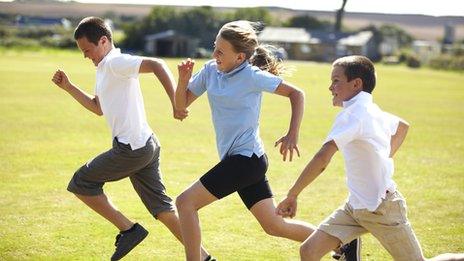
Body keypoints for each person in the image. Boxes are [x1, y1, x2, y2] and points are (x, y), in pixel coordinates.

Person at [174, 20, 358, 261]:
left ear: (240, 58)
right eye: (214, 47)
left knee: (185, 203)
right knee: (274, 226)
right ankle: (343, 244)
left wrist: (293, 134)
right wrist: (183, 79)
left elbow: (296, 94)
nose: (214, 54)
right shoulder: (210, 71)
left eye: (220, 51)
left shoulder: (252, 76)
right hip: (242, 161)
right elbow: (180, 107)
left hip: (246, 160)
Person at [51, 16, 212, 261]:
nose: (86, 56)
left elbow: (157, 64)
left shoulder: (116, 62)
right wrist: (69, 87)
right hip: (145, 144)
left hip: (133, 148)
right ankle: (204, 258)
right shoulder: (105, 67)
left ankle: (129, 230)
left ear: (103, 41)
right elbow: (98, 107)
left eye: (87, 50)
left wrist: (176, 103)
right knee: (163, 209)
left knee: (81, 182)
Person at [276, 55, 464, 261]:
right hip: (355, 207)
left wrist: (293, 194)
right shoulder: (369, 110)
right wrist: (384, 157)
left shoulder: (354, 115)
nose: (330, 87)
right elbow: (402, 126)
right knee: (309, 251)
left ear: (356, 84)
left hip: (382, 209)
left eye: (336, 81)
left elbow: (323, 157)